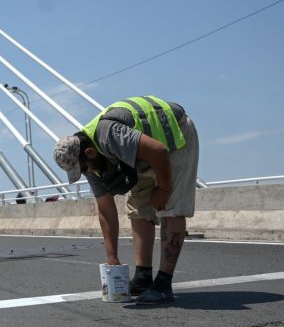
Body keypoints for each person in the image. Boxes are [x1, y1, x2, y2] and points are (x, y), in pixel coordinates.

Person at [53, 95, 199, 304]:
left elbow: (158, 151)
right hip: (143, 152)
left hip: (176, 135)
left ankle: (164, 284)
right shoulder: (90, 162)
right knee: (138, 208)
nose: (86, 173)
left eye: (84, 168)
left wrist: (164, 188)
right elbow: (105, 209)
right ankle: (143, 276)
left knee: (170, 207)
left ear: (90, 152)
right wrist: (111, 257)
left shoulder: (108, 135)